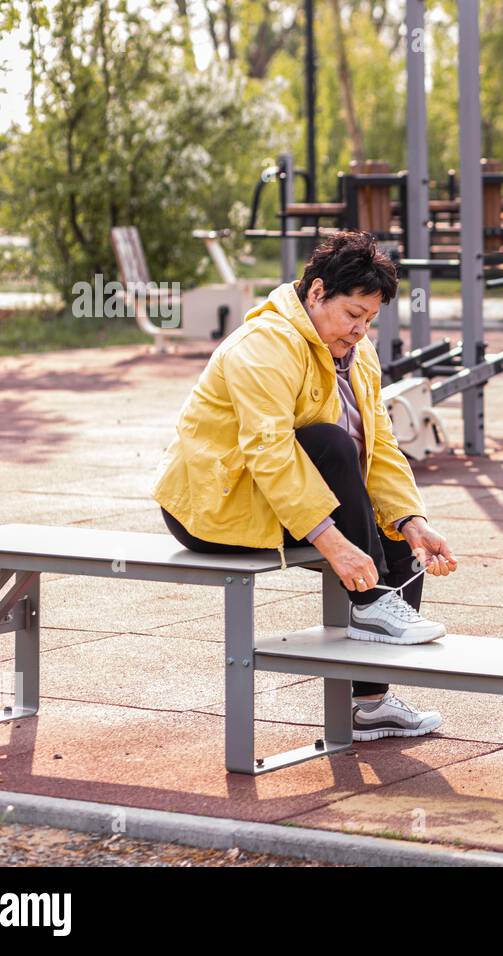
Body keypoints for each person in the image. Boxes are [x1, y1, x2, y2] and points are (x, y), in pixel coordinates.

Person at [152, 230, 457, 740]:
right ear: (316, 293)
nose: (361, 330)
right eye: (352, 315)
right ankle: (373, 604)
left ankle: (370, 703)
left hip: (277, 500)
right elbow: (270, 450)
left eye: (369, 320)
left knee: (397, 532)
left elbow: (379, 445)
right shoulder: (264, 346)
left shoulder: (358, 354)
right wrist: (334, 544)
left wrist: (414, 521)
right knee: (328, 444)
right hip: (214, 507)